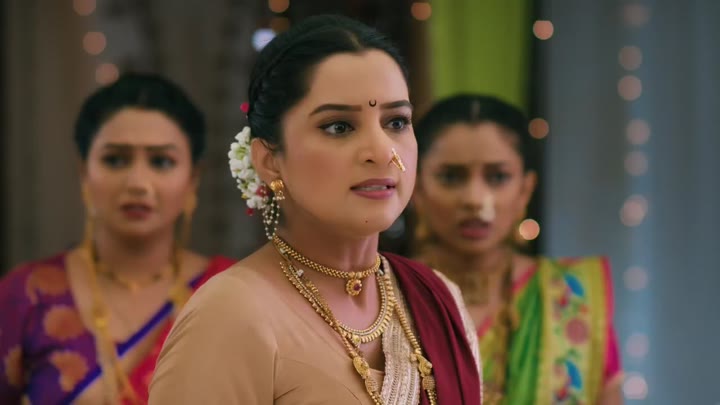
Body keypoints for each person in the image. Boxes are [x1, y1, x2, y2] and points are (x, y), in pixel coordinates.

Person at [149, 15, 482, 405]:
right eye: (339, 126)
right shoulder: (230, 316)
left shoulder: (438, 300)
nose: (382, 152)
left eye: (396, 122)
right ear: (270, 160)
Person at [0, 73, 235, 404]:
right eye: (115, 159)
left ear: (193, 178)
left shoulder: (232, 293)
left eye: (161, 161)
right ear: (84, 171)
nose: (137, 182)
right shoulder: (26, 296)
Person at [411, 94, 623, 404]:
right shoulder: (384, 297)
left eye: (498, 177)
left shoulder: (573, 296)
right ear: (417, 188)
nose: (474, 199)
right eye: (451, 177)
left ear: (525, 189)